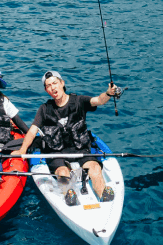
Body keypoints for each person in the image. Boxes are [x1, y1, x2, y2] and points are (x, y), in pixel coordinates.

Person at [13, 70, 122, 205]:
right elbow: (32, 131)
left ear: (62, 83)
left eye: (55, 83)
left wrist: (108, 93)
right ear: (46, 90)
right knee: (63, 172)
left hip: (80, 149)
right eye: (48, 85)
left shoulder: (78, 101)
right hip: (57, 153)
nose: (53, 87)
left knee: (94, 168)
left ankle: (104, 194)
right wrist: (22, 150)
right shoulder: (44, 109)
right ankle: (69, 194)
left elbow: (99, 100)